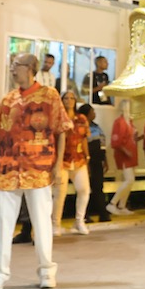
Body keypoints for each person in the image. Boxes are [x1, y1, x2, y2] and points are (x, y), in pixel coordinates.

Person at [0, 52, 72, 289]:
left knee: (42, 222)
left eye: (16, 65)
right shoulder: (8, 100)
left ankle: (46, 272)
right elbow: (1, 138)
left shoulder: (49, 96)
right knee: (3, 223)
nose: (12, 69)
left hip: (39, 168)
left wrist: (58, 165)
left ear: (29, 68)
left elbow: (61, 130)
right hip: (7, 169)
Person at [52, 91, 91, 236]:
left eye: (72, 98)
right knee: (60, 193)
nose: (69, 100)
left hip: (79, 159)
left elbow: (84, 138)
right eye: (66, 98)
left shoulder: (81, 118)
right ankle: (55, 224)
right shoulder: (57, 118)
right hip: (62, 160)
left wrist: (87, 156)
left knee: (84, 189)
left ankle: (79, 220)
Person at [108, 99, 140, 214]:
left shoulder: (130, 122)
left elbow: (131, 138)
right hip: (124, 155)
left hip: (131, 154)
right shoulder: (119, 122)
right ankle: (112, 203)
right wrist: (126, 151)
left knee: (130, 181)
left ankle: (122, 205)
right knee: (129, 180)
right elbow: (116, 142)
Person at [79, 104, 109, 223]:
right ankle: (85, 215)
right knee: (85, 189)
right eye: (92, 111)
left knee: (98, 188)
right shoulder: (82, 127)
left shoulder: (97, 127)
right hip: (88, 162)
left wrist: (105, 160)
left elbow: (102, 144)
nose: (94, 113)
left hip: (98, 161)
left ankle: (103, 214)